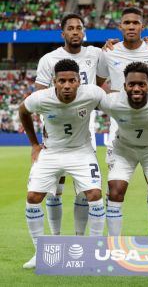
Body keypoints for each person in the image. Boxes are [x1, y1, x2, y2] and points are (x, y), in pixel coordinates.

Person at [20, 59, 106, 269]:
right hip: (51, 153)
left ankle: (93, 249)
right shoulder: (41, 98)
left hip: (81, 152)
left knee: (94, 195)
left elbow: (114, 108)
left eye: (71, 80)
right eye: (62, 81)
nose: (67, 85)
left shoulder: (93, 93)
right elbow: (23, 111)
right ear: (54, 82)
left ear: (79, 81)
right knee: (33, 197)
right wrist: (34, 144)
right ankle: (40, 252)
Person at [97, 7, 148, 236]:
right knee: (116, 190)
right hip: (122, 127)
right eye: (126, 23)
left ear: (142, 26)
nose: (130, 27)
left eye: (135, 23)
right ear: (120, 27)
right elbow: (96, 83)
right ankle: (113, 244)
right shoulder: (108, 52)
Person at [35, 13, 104, 237]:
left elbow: (100, 86)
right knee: (55, 189)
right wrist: (45, 123)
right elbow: (40, 94)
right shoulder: (48, 59)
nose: (75, 31)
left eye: (79, 27)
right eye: (71, 28)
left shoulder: (95, 54)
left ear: (84, 31)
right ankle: (54, 239)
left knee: (85, 191)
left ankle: (80, 240)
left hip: (84, 129)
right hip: (55, 131)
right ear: (62, 33)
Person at [99, 62, 148, 237]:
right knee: (115, 191)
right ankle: (114, 244)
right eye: (131, 84)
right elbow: (83, 104)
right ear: (124, 86)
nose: (136, 88)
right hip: (123, 150)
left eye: (141, 84)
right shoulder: (111, 102)